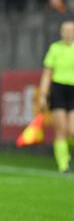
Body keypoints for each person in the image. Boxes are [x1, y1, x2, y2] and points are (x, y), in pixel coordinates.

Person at [39, 20, 74, 174]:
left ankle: (68, 155)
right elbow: (47, 73)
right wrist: (43, 95)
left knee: (71, 129)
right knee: (60, 128)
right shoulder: (55, 48)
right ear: (61, 32)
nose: (68, 33)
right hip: (58, 89)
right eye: (65, 30)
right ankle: (63, 165)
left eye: (71, 30)